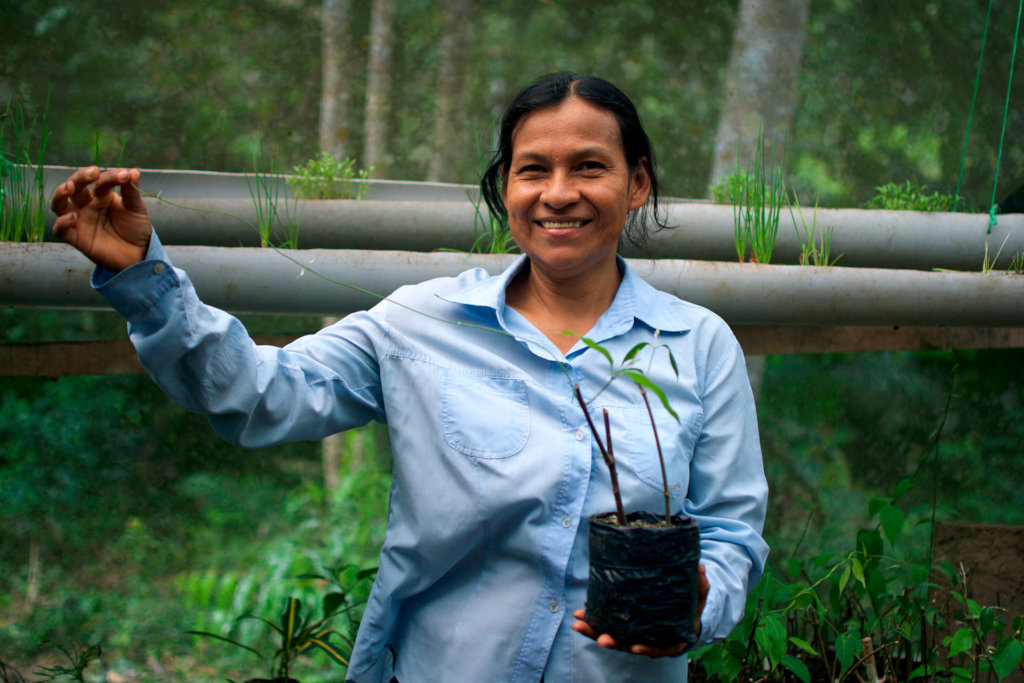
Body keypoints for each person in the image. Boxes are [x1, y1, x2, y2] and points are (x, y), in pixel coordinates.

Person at [51, 72, 768, 682]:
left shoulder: (698, 344)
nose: (558, 193)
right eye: (533, 169)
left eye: (588, 167)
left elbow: (731, 530)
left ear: (637, 183)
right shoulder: (421, 322)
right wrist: (143, 277)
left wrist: (700, 602)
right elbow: (260, 395)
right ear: (505, 187)